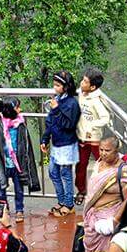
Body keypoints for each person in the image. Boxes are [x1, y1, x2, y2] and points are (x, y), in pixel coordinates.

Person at [82, 136, 127, 252]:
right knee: (92, 251)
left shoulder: (123, 171)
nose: (103, 153)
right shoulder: (98, 164)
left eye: (107, 150)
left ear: (116, 151)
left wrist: (114, 221)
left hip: (109, 218)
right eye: (101, 150)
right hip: (93, 218)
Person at [40, 70, 80, 217]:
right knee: (53, 172)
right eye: (54, 85)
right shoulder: (57, 99)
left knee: (65, 173)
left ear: (66, 86)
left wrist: (56, 109)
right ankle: (62, 200)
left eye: (58, 85)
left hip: (67, 144)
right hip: (56, 143)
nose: (54, 88)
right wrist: (45, 139)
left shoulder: (71, 103)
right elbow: (50, 122)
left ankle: (69, 204)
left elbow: (68, 125)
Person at [0, 98, 31, 223]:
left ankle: (19, 209)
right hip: (3, 163)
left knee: (19, 188)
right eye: (17, 107)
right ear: (10, 110)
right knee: (1, 188)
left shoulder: (21, 122)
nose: (20, 110)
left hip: (17, 163)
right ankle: (3, 209)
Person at [75, 68, 111, 205]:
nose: (81, 83)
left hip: (94, 138)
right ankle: (81, 190)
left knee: (101, 164)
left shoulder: (96, 100)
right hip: (82, 136)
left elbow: (105, 118)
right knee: (80, 165)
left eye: (85, 81)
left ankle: (105, 190)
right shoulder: (82, 93)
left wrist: (91, 126)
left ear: (93, 87)